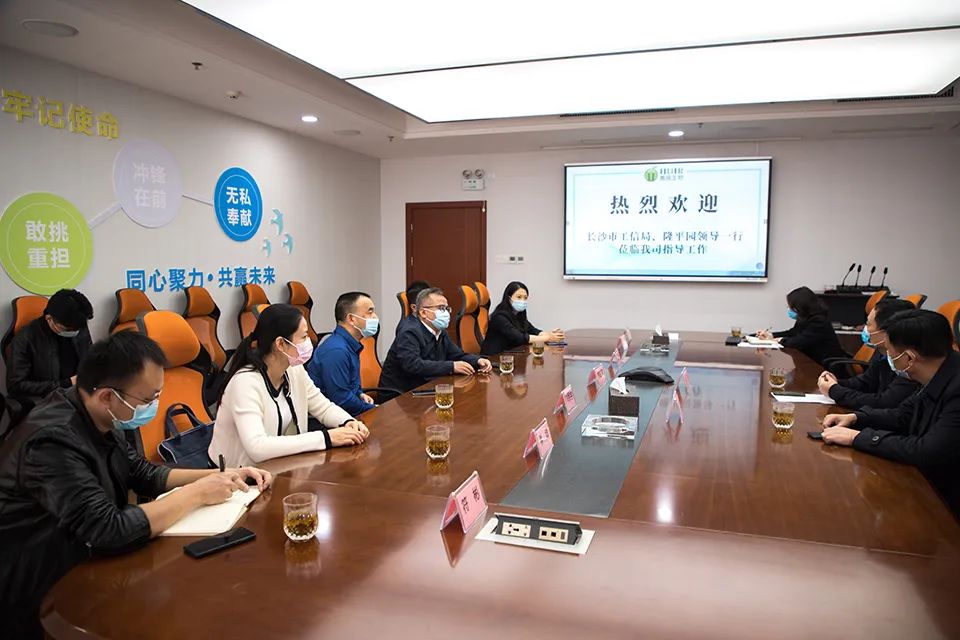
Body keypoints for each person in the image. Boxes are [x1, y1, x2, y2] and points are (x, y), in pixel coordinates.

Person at [0, 332, 272, 639]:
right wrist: (196, 494)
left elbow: (143, 473)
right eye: (147, 399)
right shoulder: (52, 441)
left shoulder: (99, 413)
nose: (154, 405)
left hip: (86, 562)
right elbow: (108, 528)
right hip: (39, 588)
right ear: (107, 396)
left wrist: (220, 476)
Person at [821, 309, 960, 517]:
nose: (887, 357)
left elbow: (927, 451)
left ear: (909, 358)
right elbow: (903, 414)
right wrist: (856, 417)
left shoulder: (956, 388)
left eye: (889, 351)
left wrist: (857, 438)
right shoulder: (937, 371)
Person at [210, 304, 368, 467]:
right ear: (280, 344)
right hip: (235, 475)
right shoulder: (245, 382)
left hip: (277, 467)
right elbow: (257, 447)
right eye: (304, 337)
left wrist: (347, 422)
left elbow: (323, 407)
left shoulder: (293, 369)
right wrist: (326, 438)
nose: (310, 342)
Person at [379, 287, 493, 397]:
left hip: (425, 387)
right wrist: (451, 366)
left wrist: (477, 360)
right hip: (400, 395)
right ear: (423, 312)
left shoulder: (440, 331)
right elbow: (413, 365)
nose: (446, 313)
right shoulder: (409, 331)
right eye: (441, 308)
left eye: (447, 309)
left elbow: (456, 355)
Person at [7, 289, 94, 421]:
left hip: (80, 394)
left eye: (77, 329)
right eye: (68, 329)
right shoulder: (26, 339)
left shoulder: (78, 327)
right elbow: (16, 386)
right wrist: (67, 383)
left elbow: (90, 358)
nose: (75, 332)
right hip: (48, 401)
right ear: (49, 318)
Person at [817, 298, 919, 409]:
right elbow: (866, 382)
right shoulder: (882, 353)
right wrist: (834, 383)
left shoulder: (909, 362)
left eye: (868, 324)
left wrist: (835, 391)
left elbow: (884, 403)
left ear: (885, 333)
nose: (865, 328)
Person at [306, 292, 378, 417]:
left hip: (346, 413)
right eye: (370, 312)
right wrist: (372, 408)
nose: (375, 317)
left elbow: (349, 385)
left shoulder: (348, 344)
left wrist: (359, 394)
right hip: (328, 419)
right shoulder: (336, 351)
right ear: (351, 319)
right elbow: (341, 400)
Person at [757, 286, 848, 367]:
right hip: (811, 362)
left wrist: (778, 340)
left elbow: (797, 342)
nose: (789, 309)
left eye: (790, 307)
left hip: (825, 368)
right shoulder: (805, 317)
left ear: (800, 307)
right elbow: (792, 332)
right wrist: (771, 335)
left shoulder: (819, 321)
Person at [480, 281, 564, 356]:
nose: (522, 300)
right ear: (508, 298)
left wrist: (551, 335)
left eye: (525, 298)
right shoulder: (499, 317)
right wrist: (548, 338)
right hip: (494, 358)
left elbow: (532, 330)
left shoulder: (519, 314)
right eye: (519, 297)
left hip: (511, 354)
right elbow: (519, 337)